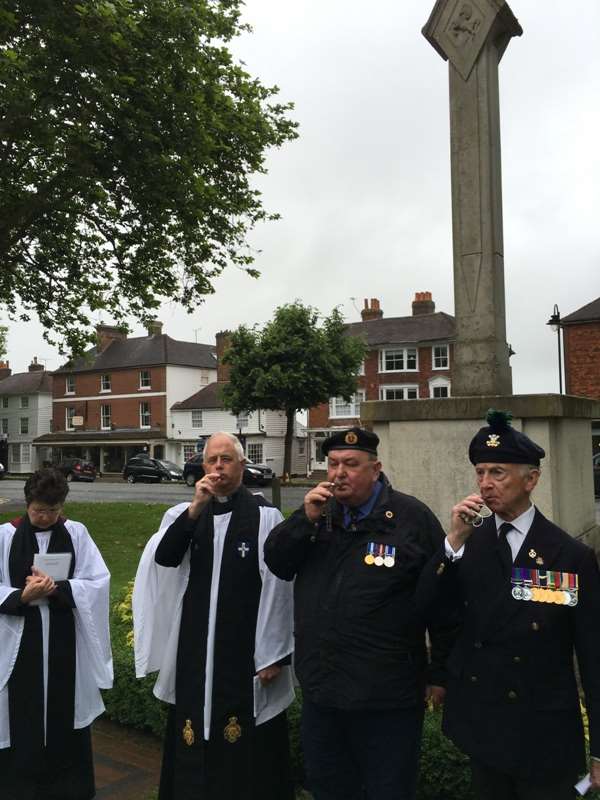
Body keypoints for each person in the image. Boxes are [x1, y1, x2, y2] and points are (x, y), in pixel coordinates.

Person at [264, 426, 457, 800]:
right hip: (324, 692)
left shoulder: (410, 518)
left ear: (375, 468)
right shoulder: (318, 516)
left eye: (350, 464)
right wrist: (304, 519)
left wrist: (440, 672)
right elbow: (277, 561)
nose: (338, 473)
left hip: (387, 697)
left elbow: (444, 600)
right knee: (329, 787)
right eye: (333, 463)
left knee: (388, 790)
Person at [416, 409, 600, 799]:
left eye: (497, 473)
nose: (485, 484)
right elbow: (429, 610)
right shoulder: (470, 541)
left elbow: (593, 654)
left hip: (544, 731)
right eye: (480, 473)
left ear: (531, 479)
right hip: (485, 726)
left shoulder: (568, 554)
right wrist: (451, 543)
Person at [133, 432, 295, 800]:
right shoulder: (184, 515)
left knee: (242, 739)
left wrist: (273, 653)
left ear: (241, 465)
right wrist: (195, 508)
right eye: (211, 461)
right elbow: (165, 558)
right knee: (192, 729)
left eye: (226, 459)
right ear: (203, 467)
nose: (219, 467)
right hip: (195, 643)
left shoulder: (264, 516)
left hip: (243, 648)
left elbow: (279, 585)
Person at [0, 467, 112, 800]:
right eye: (38, 510)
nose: (46, 517)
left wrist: (58, 589)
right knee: (20, 716)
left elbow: (98, 581)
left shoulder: (76, 533)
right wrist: (21, 597)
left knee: (65, 712)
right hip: (19, 640)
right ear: (27, 504)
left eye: (53, 510)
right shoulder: (5, 536)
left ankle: (68, 788)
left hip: (65, 642)